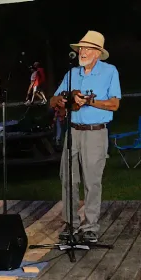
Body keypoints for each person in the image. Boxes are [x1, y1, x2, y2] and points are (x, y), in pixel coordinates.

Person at [50, 31, 121, 243]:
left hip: (95, 132)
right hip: (72, 131)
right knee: (68, 179)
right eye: (81, 48)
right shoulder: (72, 74)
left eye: (87, 48)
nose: (82, 51)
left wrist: (89, 102)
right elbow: (54, 99)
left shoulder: (110, 72)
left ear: (97, 53)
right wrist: (62, 100)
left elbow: (115, 104)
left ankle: (90, 226)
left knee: (92, 181)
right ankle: (70, 224)